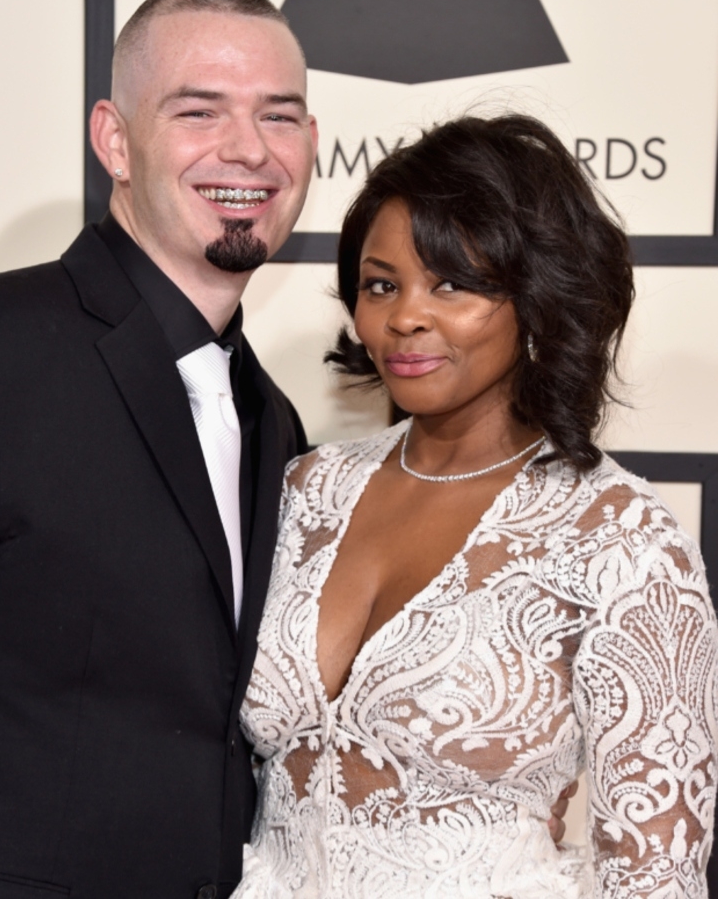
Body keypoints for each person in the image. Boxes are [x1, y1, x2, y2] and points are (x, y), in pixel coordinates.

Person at [234, 114, 718, 898]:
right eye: (381, 284)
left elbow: (657, 879)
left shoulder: (622, 539)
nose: (404, 318)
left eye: (453, 282)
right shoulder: (306, 490)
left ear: (537, 294)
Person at [0, 0, 315, 899]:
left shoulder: (278, 419)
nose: (248, 149)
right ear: (114, 140)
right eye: (199, 110)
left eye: (281, 116)